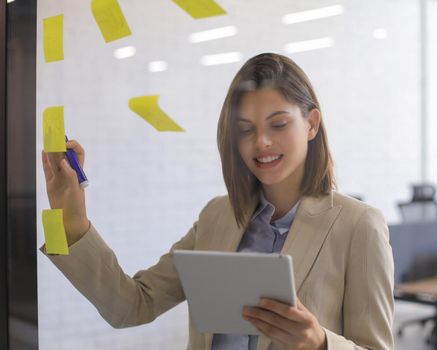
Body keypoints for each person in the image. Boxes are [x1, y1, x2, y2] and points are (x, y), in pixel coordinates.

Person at [41, 53, 394, 350]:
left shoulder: (358, 225)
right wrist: (73, 219)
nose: (262, 143)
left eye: (278, 124)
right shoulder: (217, 216)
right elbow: (132, 306)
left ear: (312, 124)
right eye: (245, 129)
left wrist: (320, 343)